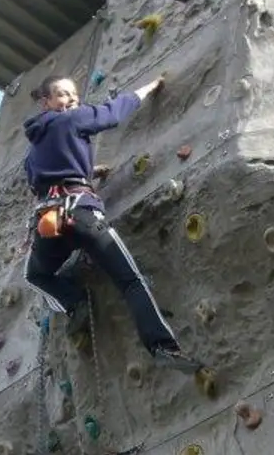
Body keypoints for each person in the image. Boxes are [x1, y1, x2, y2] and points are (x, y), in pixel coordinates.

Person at [22, 73, 201, 372]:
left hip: (49, 224)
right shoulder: (72, 119)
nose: (71, 100)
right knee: (130, 280)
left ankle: (74, 303)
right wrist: (150, 86)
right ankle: (162, 347)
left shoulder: (32, 151)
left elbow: (48, 178)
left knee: (36, 275)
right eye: (63, 94)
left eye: (74, 96)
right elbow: (113, 112)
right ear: (46, 102)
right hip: (82, 214)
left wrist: (89, 172)